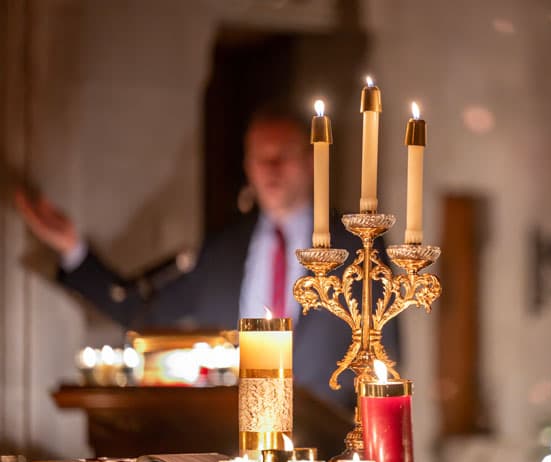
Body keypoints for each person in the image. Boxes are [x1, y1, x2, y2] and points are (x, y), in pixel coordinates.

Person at [14, 109, 399, 410]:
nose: (272, 169)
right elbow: (142, 310)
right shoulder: (224, 250)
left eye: (284, 155)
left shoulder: (357, 248)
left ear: (313, 162)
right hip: (237, 440)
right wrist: (73, 249)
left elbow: (386, 357)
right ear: (247, 167)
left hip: (327, 443)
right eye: (261, 158)